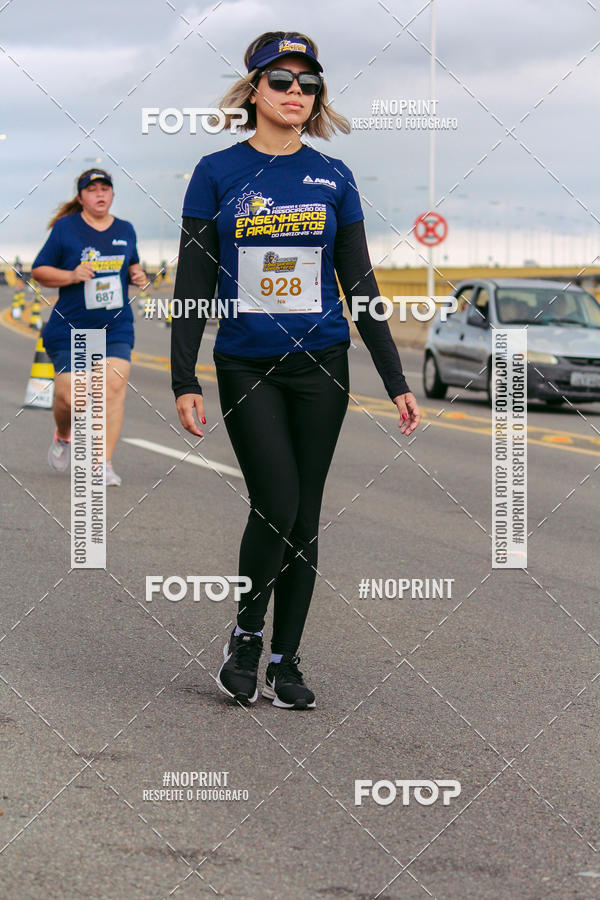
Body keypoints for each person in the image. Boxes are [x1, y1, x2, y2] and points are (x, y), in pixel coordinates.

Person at [171, 31, 420, 709]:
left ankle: (285, 662)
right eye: (281, 82)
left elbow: (360, 284)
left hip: (323, 366)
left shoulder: (333, 177)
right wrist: (183, 377)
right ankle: (246, 639)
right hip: (247, 364)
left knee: (305, 518)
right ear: (253, 89)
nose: (297, 95)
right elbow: (193, 279)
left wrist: (396, 378)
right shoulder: (216, 171)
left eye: (308, 84)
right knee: (275, 503)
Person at [31, 169, 146, 485]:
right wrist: (70, 276)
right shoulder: (66, 229)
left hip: (115, 328)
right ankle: (64, 433)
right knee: (72, 398)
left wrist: (137, 274)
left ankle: (102, 464)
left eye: (105, 188)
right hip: (71, 328)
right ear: (80, 197)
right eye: (92, 189)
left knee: (112, 388)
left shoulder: (126, 229)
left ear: (112, 194)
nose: (100, 194)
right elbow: (38, 270)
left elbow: (132, 263)